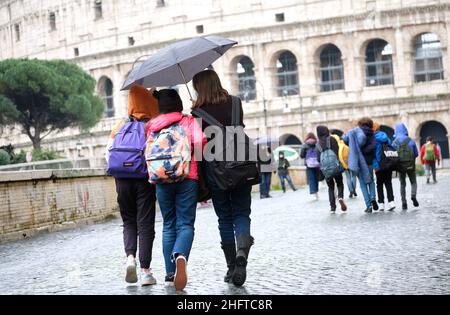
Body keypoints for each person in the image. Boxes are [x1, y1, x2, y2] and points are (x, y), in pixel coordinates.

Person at [191, 69, 254, 287]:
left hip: (215, 168)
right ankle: (242, 253)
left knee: (224, 217)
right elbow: (238, 130)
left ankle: (231, 267)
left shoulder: (197, 112)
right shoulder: (236, 102)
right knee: (242, 212)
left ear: (199, 88)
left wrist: (197, 114)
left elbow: (199, 145)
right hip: (241, 165)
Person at [146, 89, 206, 291]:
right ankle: (181, 255)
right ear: (178, 103)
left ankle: (170, 273)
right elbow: (200, 142)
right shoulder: (187, 121)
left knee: (168, 224)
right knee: (186, 223)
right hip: (187, 177)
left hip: (161, 179)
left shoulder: (152, 126)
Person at [106, 85, 158, 286]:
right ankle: (146, 271)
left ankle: (130, 258)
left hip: (122, 180)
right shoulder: (152, 126)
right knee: (145, 223)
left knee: (129, 221)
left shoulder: (120, 126)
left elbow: (109, 153)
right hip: (144, 179)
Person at [343, 118, 378, 213]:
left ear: (360, 124)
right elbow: (374, 146)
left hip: (359, 161)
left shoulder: (355, 132)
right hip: (369, 161)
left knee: (362, 183)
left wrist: (359, 151)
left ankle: (368, 205)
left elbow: (346, 141)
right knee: (371, 180)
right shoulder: (372, 133)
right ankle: (373, 197)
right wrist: (366, 152)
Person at [317, 126, 346, 212]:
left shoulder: (317, 144)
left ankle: (332, 207)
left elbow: (318, 159)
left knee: (331, 187)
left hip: (326, 170)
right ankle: (340, 197)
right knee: (339, 183)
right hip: (335, 166)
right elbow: (338, 152)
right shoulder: (332, 139)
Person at [391, 123, 419, 210]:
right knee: (413, 182)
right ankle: (413, 195)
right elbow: (416, 154)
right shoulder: (410, 140)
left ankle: (404, 203)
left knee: (402, 184)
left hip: (400, 167)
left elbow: (393, 155)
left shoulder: (394, 142)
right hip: (411, 166)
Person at [373, 122, 395, 211]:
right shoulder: (385, 136)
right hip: (388, 163)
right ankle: (391, 202)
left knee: (379, 184)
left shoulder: (372, 138)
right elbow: (391, 146)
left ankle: (381, 204)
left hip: (378, 164)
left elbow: (373, 153)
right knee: (388, 183)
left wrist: (375, 166)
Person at [300, 133, 320, 200]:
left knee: (311, 178)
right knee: (316, 178)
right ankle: (316, 191)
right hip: (317, 163)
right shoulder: (317, 143)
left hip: (309, 164)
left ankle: (313, 192)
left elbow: (302, 155)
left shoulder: (305, 144)